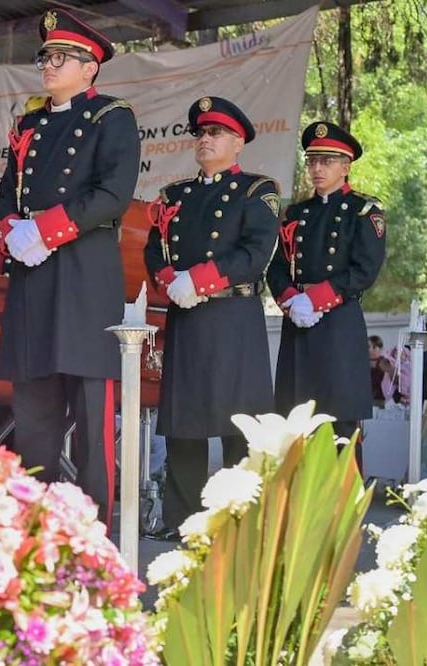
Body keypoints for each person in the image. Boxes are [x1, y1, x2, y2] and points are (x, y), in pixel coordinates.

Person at [0, 8, 139, 528]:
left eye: (62, 58)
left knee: (92, 418)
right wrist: (13, 230)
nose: (49, 65)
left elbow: (113, 194)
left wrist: (46, 229)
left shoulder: (111, 117)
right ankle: (36, 530)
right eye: (46, 57)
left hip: (83, 278)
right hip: (33, 280)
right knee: (34, 417)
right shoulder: (28, 126)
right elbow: (5, 195)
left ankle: (94, 533)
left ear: (90, 67)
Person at [143, 96, 280, 541]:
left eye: (216, 132)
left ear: (238, 143)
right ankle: (182, 521)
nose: (205, 139)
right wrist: (170, 279)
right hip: (187, 317)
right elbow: (154, 249)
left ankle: (241, 523)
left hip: (232, 317)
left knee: (238, 422)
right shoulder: (175, 196)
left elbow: (256, 252)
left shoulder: (256, 191)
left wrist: (200, 279)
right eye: (201, 132)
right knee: (185, 423)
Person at [268, 122, 386, 449]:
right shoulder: (296, 213)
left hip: (338, 325)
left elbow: (365, 269)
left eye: (327, 161)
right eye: (312, 161)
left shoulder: (363, 211)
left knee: (340, 426)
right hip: (298, 324)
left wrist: (316, 299)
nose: (317, 169)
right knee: (295, 425)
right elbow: (276, 269)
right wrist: (291, 299)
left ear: (346, 167)